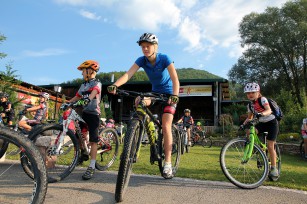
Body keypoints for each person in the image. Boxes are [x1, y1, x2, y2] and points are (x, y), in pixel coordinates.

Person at [107, 33, 180, 179]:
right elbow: (129, 74)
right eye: (143, 47)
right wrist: (115, 85)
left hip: (168, 95)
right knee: (139, 100)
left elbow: (174, 78)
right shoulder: (141, 60)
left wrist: (175, 95)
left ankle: (168, 164)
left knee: (166, 126)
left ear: (155, 47)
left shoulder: (164, 58)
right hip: (154, 93)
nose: (145, 49)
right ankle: (139, 129)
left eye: (148, 46)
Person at [66, 60, 101, 180]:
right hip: (84, 113)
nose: (81, 73)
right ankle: (84, 153)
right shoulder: (84, 85)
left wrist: (89, 98)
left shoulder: (97, 83)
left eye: (83, 71)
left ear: (90, 70)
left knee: (93, 140)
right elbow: (77, 96)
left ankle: (92, 166)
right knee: (78, 135)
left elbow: (95, 91)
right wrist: (67, 103)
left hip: (93, 113)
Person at [243, 82, 279, 179]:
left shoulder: (262, 99)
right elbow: (249, 118)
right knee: (249, 132)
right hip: (262, 123)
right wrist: (243, 124)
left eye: (252, 92)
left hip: (272, 123)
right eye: (248, 93)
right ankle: (258, 151)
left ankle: (274, 168)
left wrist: (261, 114)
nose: (250, 95)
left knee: (271, 146)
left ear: (258, 92)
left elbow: (269, 110)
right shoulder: (250, 105)